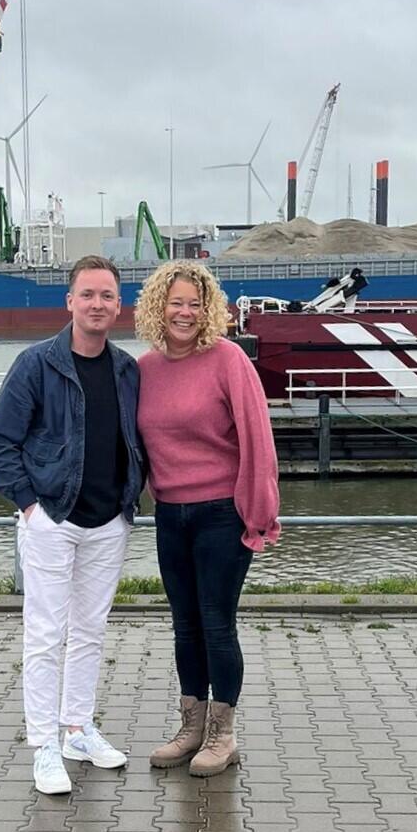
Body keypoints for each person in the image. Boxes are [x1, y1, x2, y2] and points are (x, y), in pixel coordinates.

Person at [0, 255, 144, 795]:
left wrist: (130, 500)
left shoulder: (127, 370)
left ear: (119, 307)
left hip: (108, 522)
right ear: (69, 301)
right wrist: (31, 507)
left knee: (90, 632)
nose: (97, 304)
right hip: (53, 518)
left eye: (107, 296)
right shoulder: (36, 365)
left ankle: (77, 729)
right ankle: (44, 745)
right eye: (88, 294)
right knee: (46, 635)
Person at [135, 259, 280, 777]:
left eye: (195, 304)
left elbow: (258, 439)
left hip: (222, 514)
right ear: (158, 308)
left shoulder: (228, 360)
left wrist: (259, 514)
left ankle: (223, 735)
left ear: (209, 309)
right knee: (185, 625)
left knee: (217, 623)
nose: (185, 313)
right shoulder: (144, 369)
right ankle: (191, 728)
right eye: (175, 303)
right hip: (170, 514)